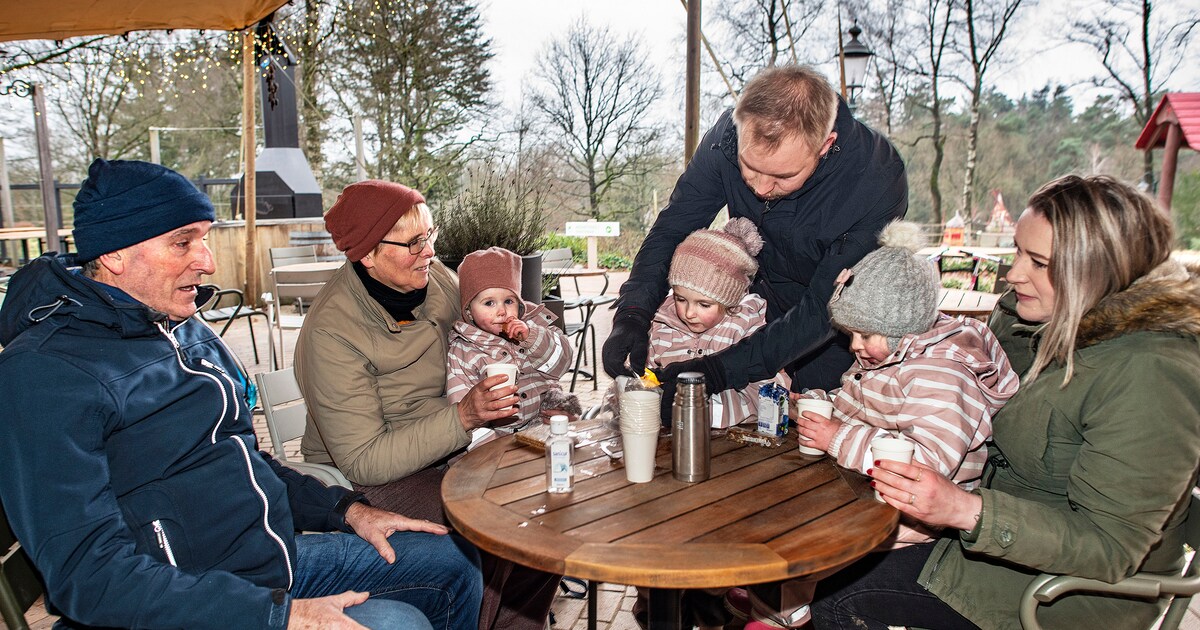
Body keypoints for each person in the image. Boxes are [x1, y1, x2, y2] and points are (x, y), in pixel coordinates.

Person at [0, 159, 483, 630]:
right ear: (114, 254)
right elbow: (90, 578)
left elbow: (245, 460)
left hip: (269, 560)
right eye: (182, 242)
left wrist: (345, 510)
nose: (207, 261)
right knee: (397, 622)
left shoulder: (185, 331)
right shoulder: (46, 373)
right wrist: (277, 615)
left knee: (453, 562)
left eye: (205, 239)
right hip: (180, 599)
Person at [808, 175, 1200, 630]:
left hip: (1066, 586)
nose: (1013, 274)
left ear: (1096, 272)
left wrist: (962, 509)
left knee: (836, 594)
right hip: (988, 527)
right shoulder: (1024, 316)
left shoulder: (1152, 370)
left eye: (1037, 262)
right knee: (825, 549)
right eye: (1017, 252)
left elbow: (1109, 547)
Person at [292, 180, 560, 630]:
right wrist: (465, 416)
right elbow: (365, 460)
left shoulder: (434, 279)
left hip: (458, 448)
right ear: (367, 254)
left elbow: (484, 326)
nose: (429, 251)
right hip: (385, 472)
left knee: (546, 508)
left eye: (430, 235)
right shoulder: (331, 332)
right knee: (495, 524)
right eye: (413, 242)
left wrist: (523, 338)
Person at [739, 220, 1019, 629]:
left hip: (921, 519)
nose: (854, 347)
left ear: (902, 326)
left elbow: (927, 464)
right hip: (875, 489)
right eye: (850, 334)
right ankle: (777, 601)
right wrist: (818, 404)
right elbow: (856, 403)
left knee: (811, 535)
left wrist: (838, 436)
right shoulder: (888, 355)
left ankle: (785, 612)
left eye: (863, 335)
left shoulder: (941, 376)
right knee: (786, 507)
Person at [602, 64, 907, 421]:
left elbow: (826, 306)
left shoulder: (876, 179)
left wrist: (714, 372)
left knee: (812, 436)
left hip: (830, 331)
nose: (760, 188)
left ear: (825, 145)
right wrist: (633, 313)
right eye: (750, 167)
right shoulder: (726, 139)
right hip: (754, 313)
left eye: (783, 175)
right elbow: (673, 228)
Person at [643, 217, 785, 428]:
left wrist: (711, 411)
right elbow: (648, 378)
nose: (689, 312)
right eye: (680, 299)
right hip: (675, 437)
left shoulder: (747, 331)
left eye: (704, 304)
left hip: (736, 442)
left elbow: (772, 396)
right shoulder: (663, 326)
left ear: (730, 301)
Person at [446, 246, 581, 435]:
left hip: (543, 426)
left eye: (509, 301)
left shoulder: (534, 326)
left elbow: (563, 363)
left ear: (519, 303)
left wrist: (531, 338)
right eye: (489, 303)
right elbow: (464, 408)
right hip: (499, 437)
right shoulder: (463, 351)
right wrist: (489, 453)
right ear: (469, 310)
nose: (501, 311)